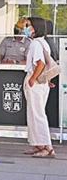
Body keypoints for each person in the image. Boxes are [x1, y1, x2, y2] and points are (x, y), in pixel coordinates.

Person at [23, 17, 56, 158]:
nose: (26, 28)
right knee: (35, 114)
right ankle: (38, 145)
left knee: (37, 115)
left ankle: (46, 147)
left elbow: (41, 63)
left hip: (35, 83)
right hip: (41, 83)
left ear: (35, 28)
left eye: (28, 25)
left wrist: (32, 79)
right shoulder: (43, 42)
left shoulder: (36, 43)